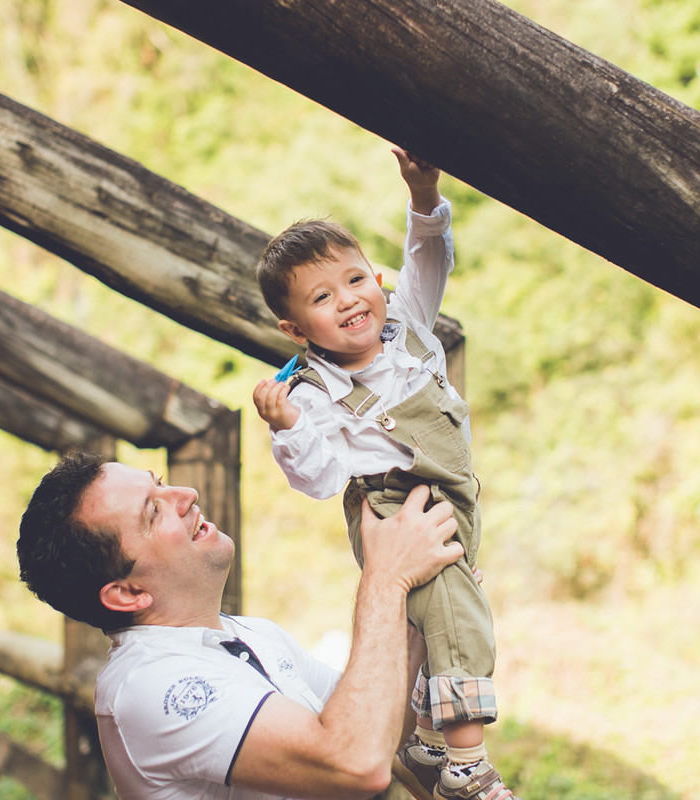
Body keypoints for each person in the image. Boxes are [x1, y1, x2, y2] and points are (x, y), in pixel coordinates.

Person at [252, 149, 512, 800]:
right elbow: (315, 478)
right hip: (398, 514)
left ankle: (425, 740)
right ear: (294, 328)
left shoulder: (408, 327)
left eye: (354, 280)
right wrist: (288, 430)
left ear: (375, 276)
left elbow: (428, 259)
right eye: (321, 297)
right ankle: (466, 765)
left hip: (454, 499)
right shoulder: (314, 393)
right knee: (456, 616)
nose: (347, 301)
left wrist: (423, 194)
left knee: (448, 616)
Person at [16, 451, 464, 800]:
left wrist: (422, 605)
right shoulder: (147, 686)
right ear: (129, 594)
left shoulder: (249, 634)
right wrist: (386, 577)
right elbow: (355, 762)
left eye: (161, 484)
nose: (186, 493)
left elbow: (375, 727)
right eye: (154, 512)